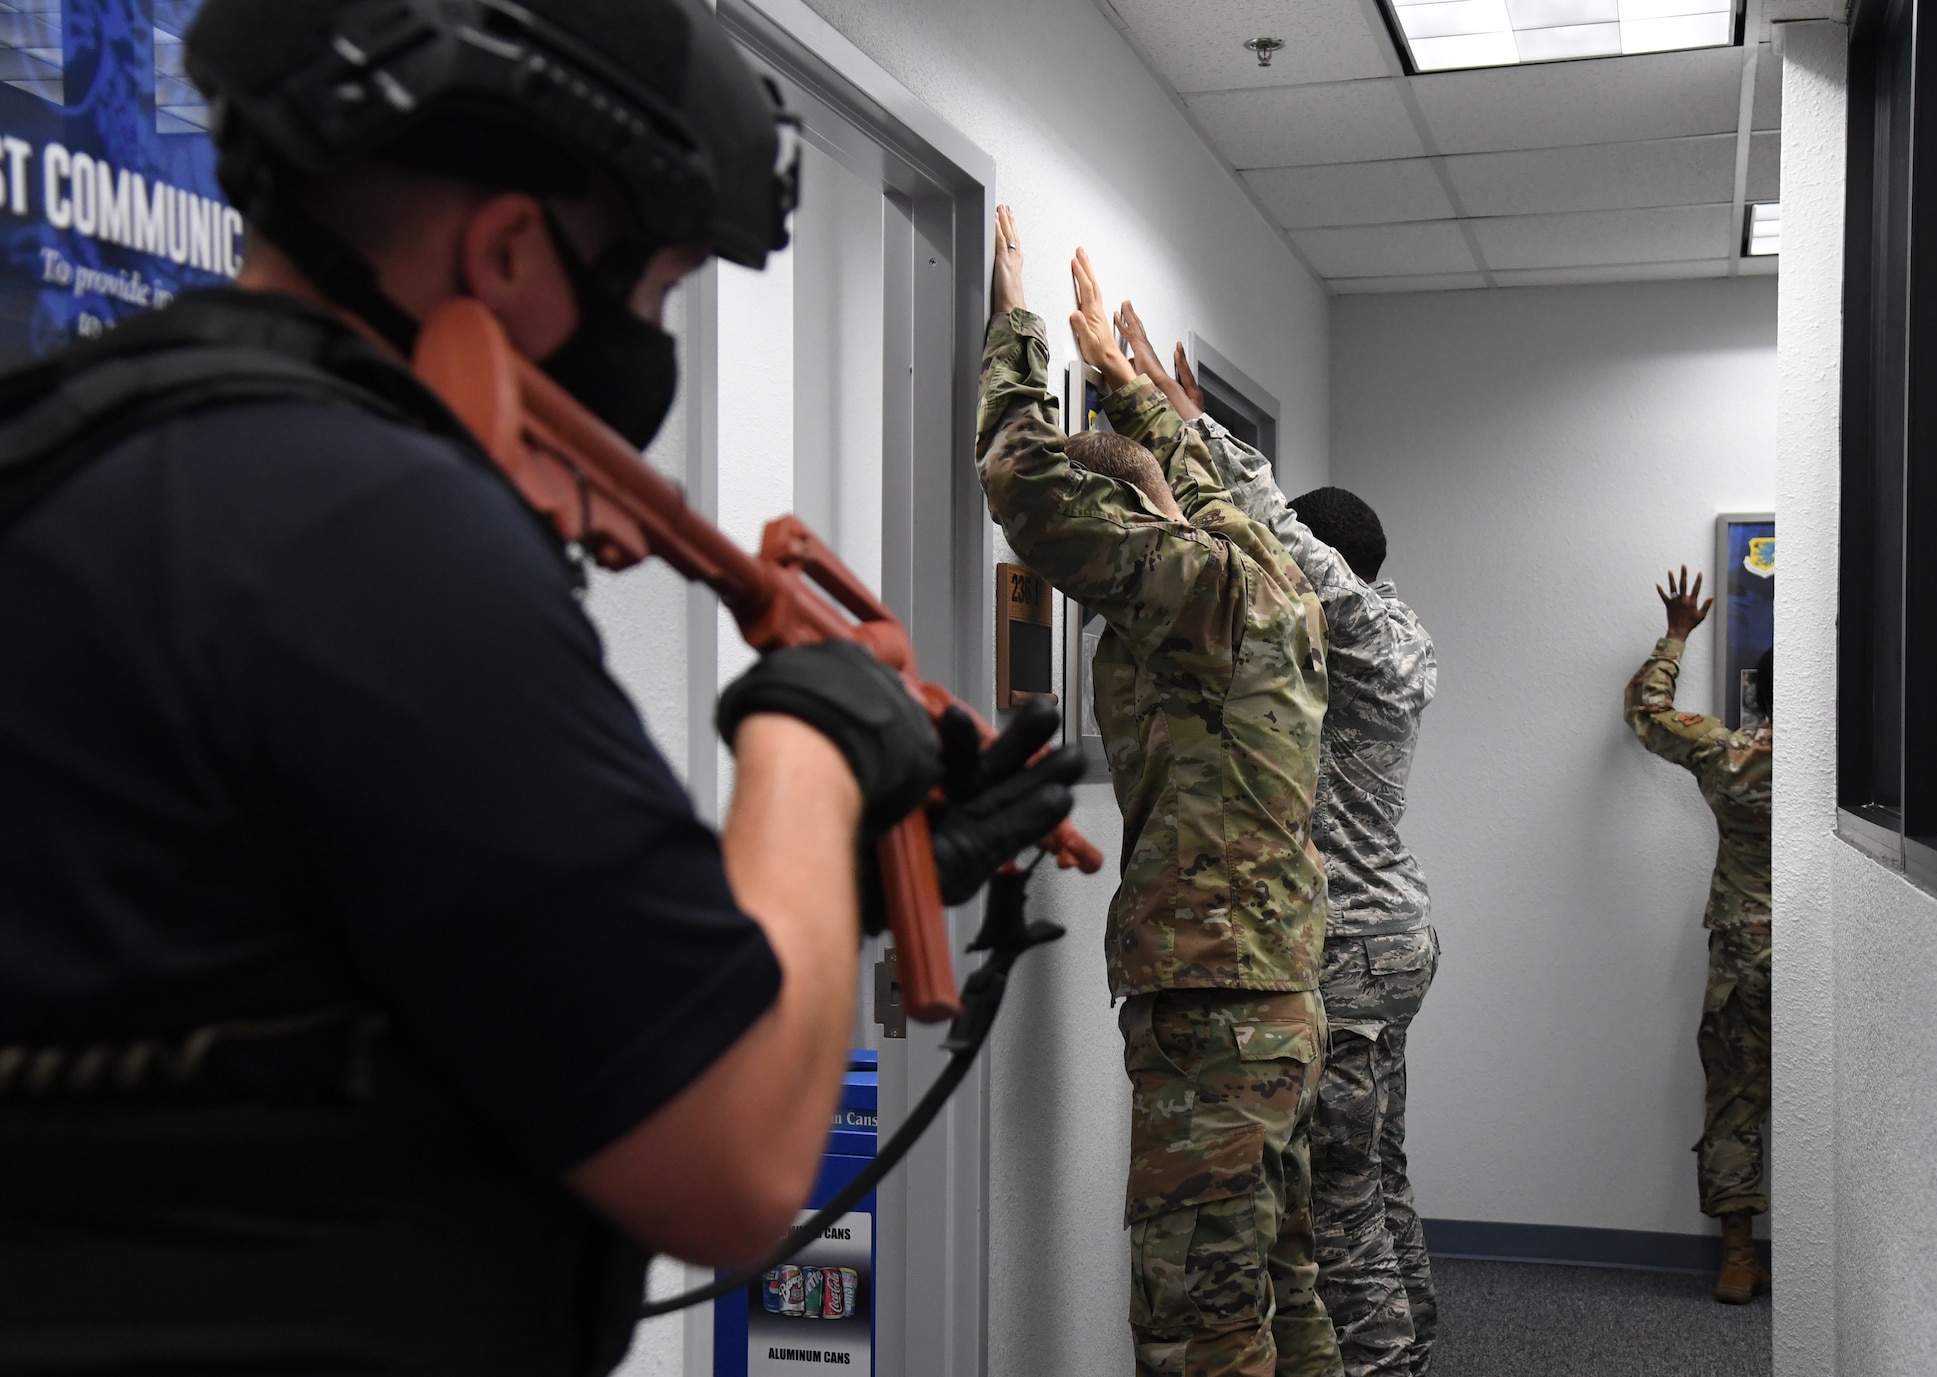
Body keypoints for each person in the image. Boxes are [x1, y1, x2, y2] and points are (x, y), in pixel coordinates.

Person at [0, 3, 1079, 1372]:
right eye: (658, 290)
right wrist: (812, 737)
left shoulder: (91, 457)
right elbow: (738, 1166)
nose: (653, 342)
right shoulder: (372, 528)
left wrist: (843, 885)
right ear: (509, 250)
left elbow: (387, 965)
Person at [978, 205, 1341, 1377]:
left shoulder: (1201, 592)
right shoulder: (1273, 580)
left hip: (1216, 1013)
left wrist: (1012, 325)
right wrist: (1134, 392)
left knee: (1199, 1330)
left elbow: (1025, 486)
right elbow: (1205, 483)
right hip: (1272, 1002)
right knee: (1282, 1291)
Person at [1111, 307, 1442, 1377]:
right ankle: (1415, 1339)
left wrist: (1179, 432)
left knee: (1335, 1199)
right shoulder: (1397, 631)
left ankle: (1383, 1360)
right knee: (1377, 1170)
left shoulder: (1338, 620)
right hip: (1390, 938)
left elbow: (1280, 543)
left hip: (1340, 946)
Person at [1624, 568, 1773, 1305]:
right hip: (1831, 967)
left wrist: (1678, 635)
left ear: (1757, 694)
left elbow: (1647, 712)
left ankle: (1738, 1260)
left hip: (1745, 964)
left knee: (1736, 1104)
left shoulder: (1731, 758)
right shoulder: (1849, 773)